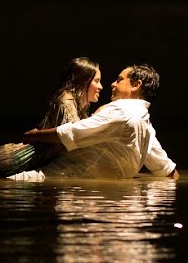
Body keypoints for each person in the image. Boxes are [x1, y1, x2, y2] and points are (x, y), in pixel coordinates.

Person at [17, 64, 179, 180]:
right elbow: (167, 171)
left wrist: (36, 135)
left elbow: (73, 133)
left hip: (64, 184)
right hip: (97, 199)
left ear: (136, 85)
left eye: (119, 79)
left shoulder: (121, 111)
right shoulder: (145, 126)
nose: (112, 84)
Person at [0, 57, 103, 178]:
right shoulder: (66, 100)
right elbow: (71, 136)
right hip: (14, 161)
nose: (101, 86)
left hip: (22, 161)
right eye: (96, 81)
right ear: (82, 80)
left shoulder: (77, 104)